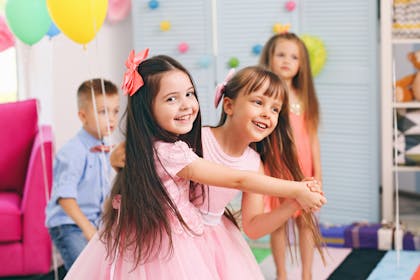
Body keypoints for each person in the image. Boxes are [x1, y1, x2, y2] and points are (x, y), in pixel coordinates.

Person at [65, 50, 325, 279]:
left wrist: (294, 203)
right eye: (258, 102)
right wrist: (295, 188)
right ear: (229, 105)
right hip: (171, 237)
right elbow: (237, 178)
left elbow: (254, 226)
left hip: (213, 240)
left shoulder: (253, 162)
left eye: (276, 109)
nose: (267, 113)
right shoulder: (191, 138)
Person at [260, 32, 322, 280]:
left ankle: (307, 274)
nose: (287, 60)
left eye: (294, 57)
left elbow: (313, 138)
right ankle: (281, 274)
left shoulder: (303, 96)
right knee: (278, 222)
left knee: (307, 223)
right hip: (277, 167)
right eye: (281, 54)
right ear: (270, 58)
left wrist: (319, 173)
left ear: (301, 64)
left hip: (304, 169)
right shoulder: (268, 94)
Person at [45, 78, 120, 271]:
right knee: (83, 272)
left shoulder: (103, 149)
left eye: (115, 111)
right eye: (103, 111)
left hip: (93, 221)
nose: (111, 118)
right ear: (83, 116)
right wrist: (89, 230)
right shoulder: (73, 151)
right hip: (69, 224)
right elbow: (65, 198)